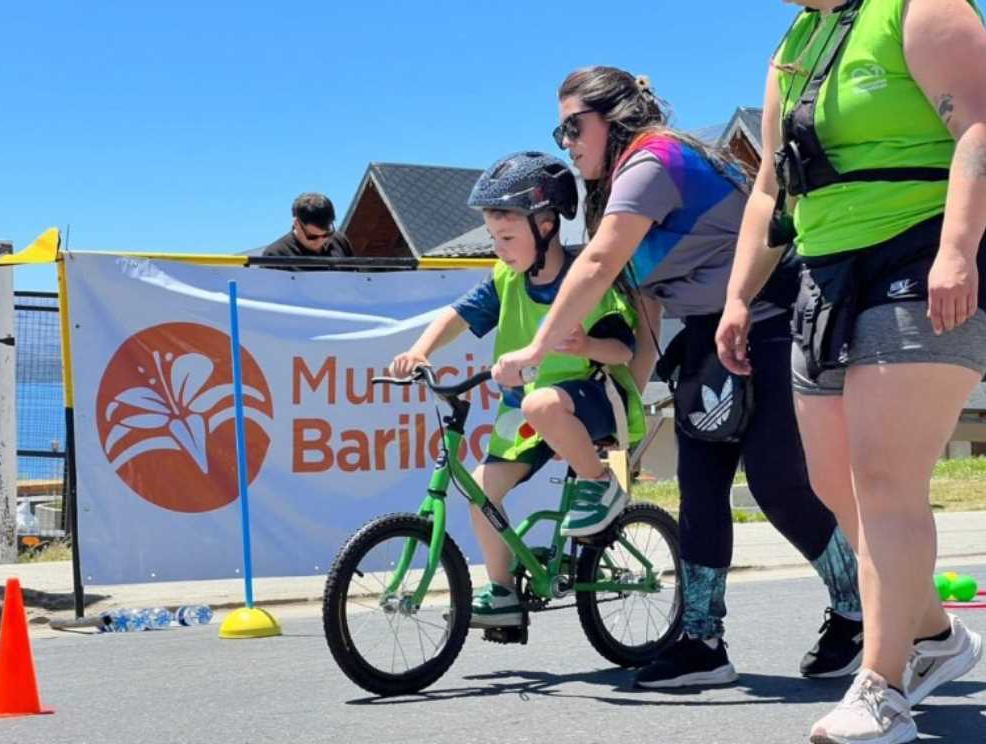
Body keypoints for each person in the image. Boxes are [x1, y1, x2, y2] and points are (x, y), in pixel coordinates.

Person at [490, 66, 863, 687]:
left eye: (573, 127)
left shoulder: (653, 160)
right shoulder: (617, 185)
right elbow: (644, 302)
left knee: (776, 483)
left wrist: (536, 347)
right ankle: (701, 641)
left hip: (772, 322)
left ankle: (857, 611)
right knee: (700, 487)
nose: (567, 142)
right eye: (558, 132)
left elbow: (601, 265)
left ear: (613, 119)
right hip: (706, 336)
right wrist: (626, 403)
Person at [715, 1, 986, 741]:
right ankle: (936, 637)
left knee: (883, 480)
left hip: (919, 255)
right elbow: (772, 185)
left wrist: (958, 247)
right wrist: (738, 298)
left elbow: (979, 129)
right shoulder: (796, 42)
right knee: (836, 484)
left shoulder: (920, 8)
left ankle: (882, 687)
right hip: (823, 274)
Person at [389, 151, 647, 627]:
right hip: (528, 413)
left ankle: (598, 483)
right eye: (494, 238)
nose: (500, 248)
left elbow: (624, 351)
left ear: (547, 225)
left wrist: (588, 342)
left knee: (540, 401)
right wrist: (421, 349)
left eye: (507, 237)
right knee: (482, 490)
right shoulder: (506, 279)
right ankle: (503, 593)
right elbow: (457, 315)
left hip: (590, 400)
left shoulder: (584, 279)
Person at [259, 192, 354, 263]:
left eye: (327, 234)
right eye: (312, 237)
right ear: (296, 223)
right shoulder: (275, 255)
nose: (321, 241)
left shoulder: (340, 241)